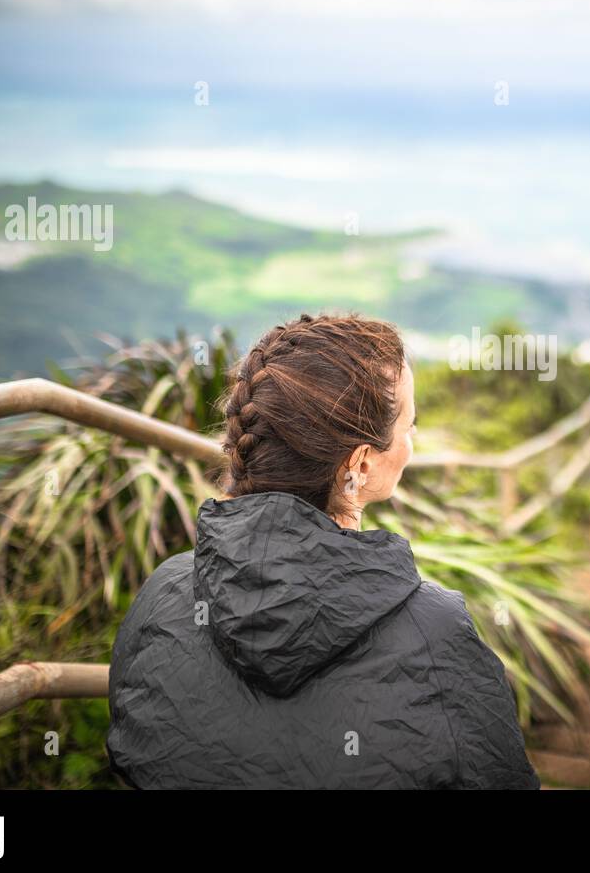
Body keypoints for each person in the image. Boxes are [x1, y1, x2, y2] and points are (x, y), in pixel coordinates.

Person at [106, 312, 541, 788]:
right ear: (359, 463)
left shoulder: (163, 595)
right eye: (408, 427)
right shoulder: (437, 632)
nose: (412, 443)